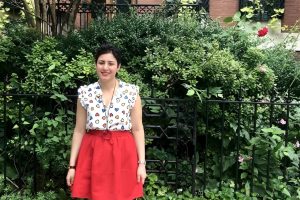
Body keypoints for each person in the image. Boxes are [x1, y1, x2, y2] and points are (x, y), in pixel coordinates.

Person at [66, 43, 147, 200]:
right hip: (94, 151)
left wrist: (141, 164)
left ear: (118, 67)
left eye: (111, 63)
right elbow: (79, 130)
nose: (105, 67)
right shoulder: (85, 93)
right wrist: (72, 166)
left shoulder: (131, 93)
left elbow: (137, 129)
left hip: (123, 152)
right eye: (101, 62)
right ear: (95, 64)